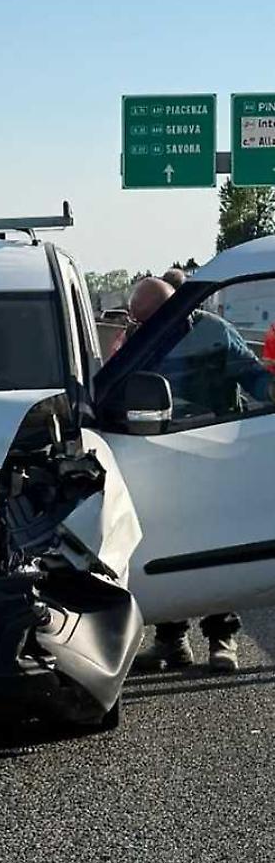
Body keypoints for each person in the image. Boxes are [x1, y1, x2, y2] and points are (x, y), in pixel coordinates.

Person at [126, 273, 274, 674]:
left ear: (169, 310)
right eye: (135, 321)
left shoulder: (214, 332)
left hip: (214, 453)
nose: (138, 327)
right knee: (166, 546)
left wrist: (271, 391)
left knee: (213, 545)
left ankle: (221, 638)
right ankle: (171, 641)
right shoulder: (141, 339)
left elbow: (252, 376)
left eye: (144, 320)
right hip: (159, 454)